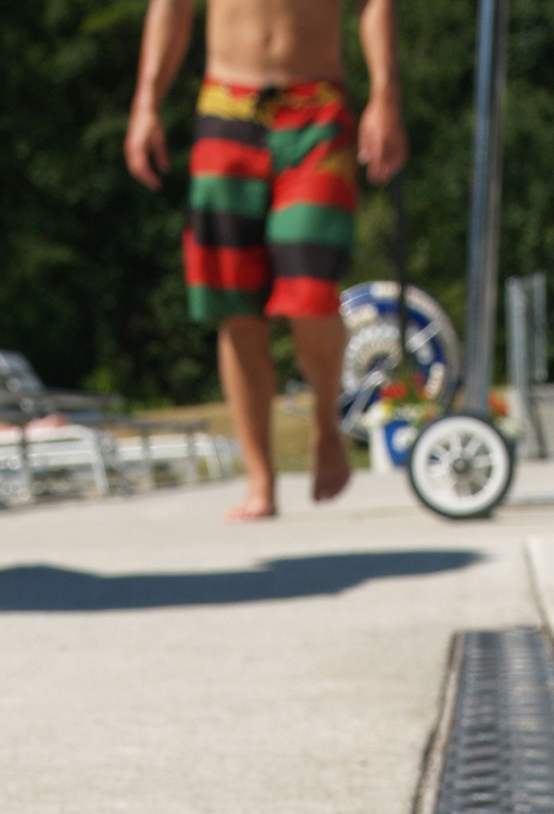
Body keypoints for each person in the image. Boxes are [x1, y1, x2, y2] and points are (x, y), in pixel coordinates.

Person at [124, 0, 406, 519]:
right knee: (234, 304)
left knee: (312, 291)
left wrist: (384, 95)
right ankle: (260, 478)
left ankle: (325, 422)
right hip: (226, 106)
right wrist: (146, 103)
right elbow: (172, 8)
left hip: (316, 107)